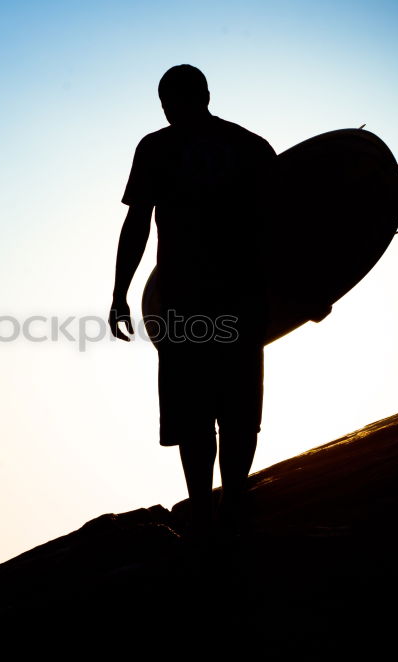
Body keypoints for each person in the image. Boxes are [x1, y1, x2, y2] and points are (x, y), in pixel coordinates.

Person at [108, 65, 276, 560]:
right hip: (218, 298)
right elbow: (283, 228)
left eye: (170, 99)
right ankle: (218, 510)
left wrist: (120, 293)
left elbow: (283, 223)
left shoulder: (165, 147)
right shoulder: (245, 145)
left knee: (215, 413)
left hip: (205, 298)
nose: (169, 108)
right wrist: (119, 291)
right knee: (216, 412)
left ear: (193, 97)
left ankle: (217, 511)